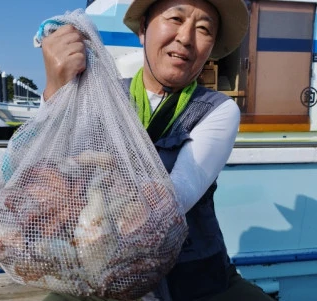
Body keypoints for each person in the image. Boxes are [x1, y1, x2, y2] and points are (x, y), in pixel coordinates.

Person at [40, 0, 276, 300]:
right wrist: (56, 90)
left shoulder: (219, 109)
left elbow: (178, 195)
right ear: (143, 30)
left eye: (203, 29)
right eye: (175, 18)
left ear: (210, 47)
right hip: (102, 272)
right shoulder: (97, 95)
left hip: (197, 279)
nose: (186, 37)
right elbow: (50, 161)